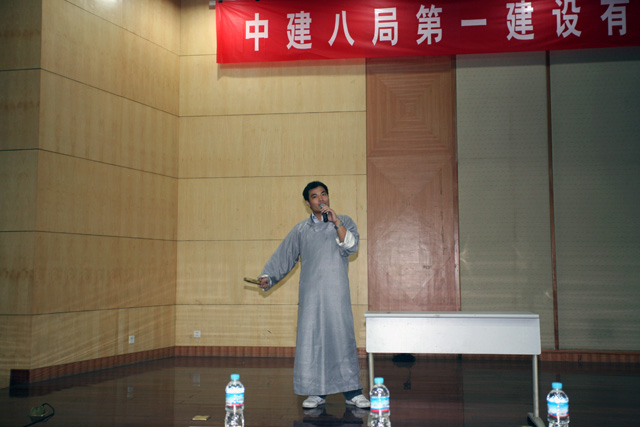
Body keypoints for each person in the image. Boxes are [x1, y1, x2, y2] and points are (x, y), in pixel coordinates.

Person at [259, 181, 370, 409]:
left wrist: (336, 222)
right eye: (315, 196)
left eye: (324, 194)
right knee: (312, 340)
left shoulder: (344, 221)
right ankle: (316, 392)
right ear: (308, 203)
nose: (321, 199)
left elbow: (351, 247)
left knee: (341, 338)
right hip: (311, 296)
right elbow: (285, 255)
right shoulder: (301, 229)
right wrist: (269, 276)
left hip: (337, 294)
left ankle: (353, 392)